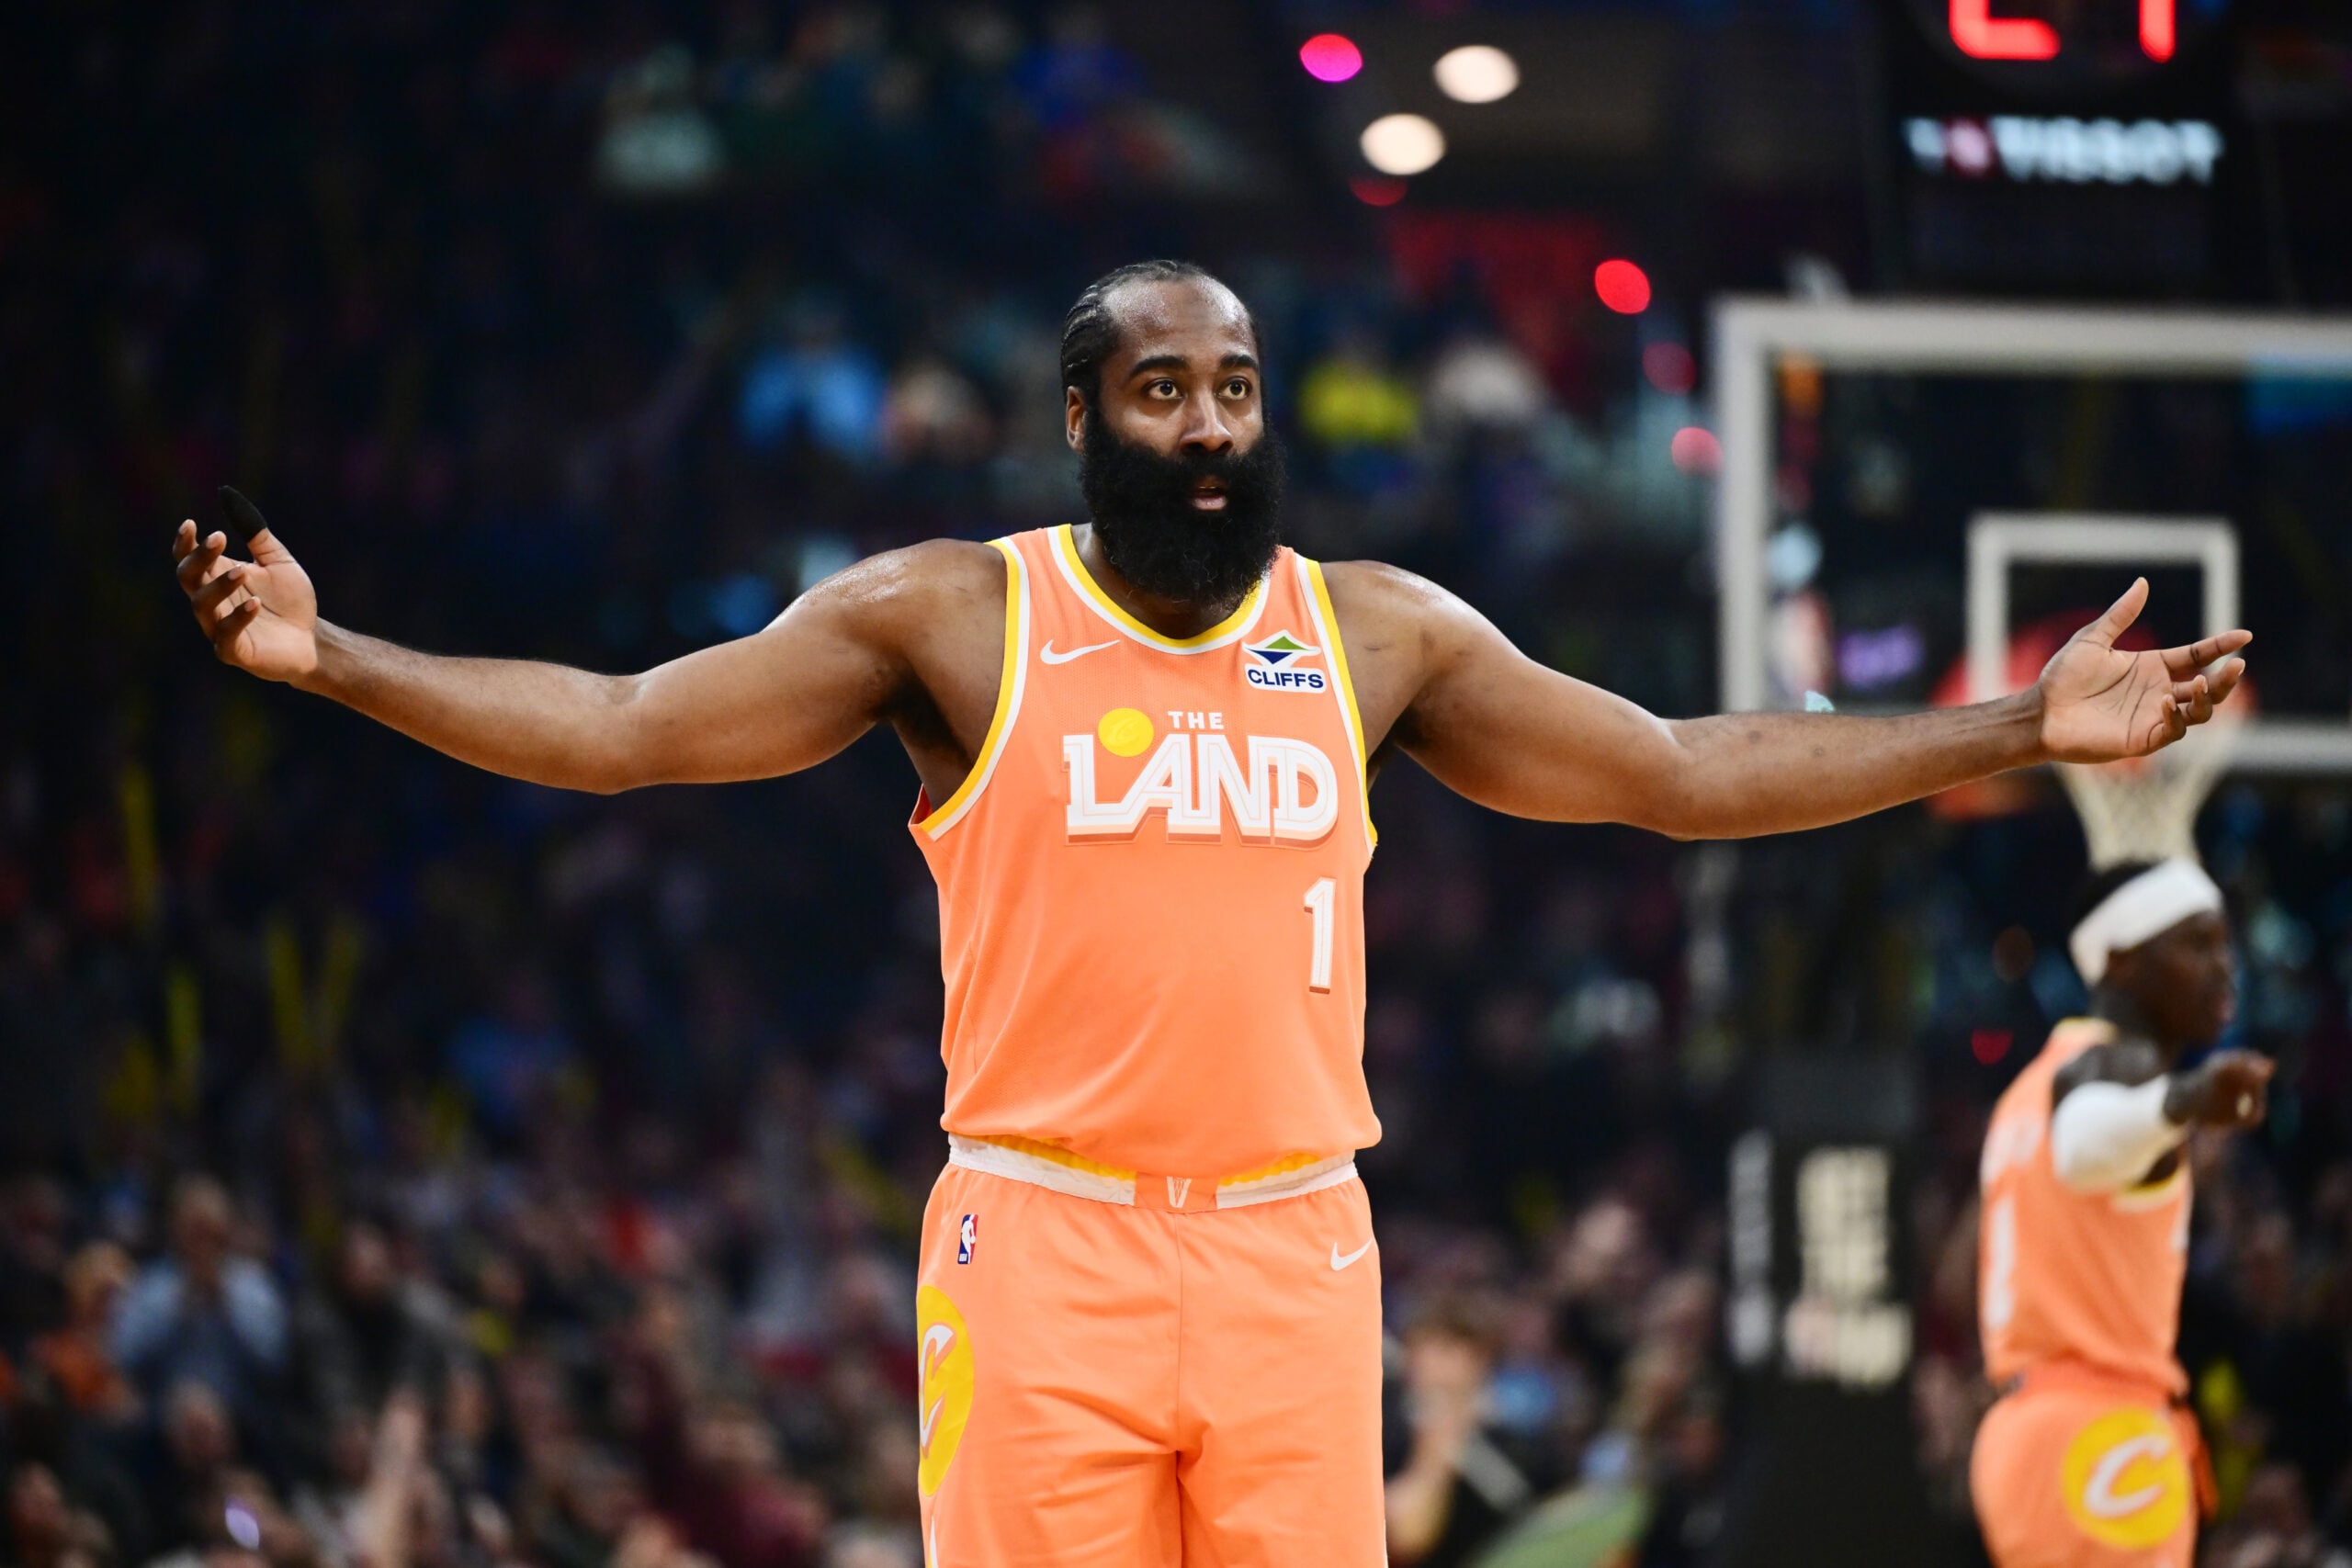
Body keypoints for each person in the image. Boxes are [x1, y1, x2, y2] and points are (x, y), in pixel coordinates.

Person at [172, 260, 2250, 1567]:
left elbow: (1683, 769)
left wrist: (2014, 725)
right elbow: (626, 725)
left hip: (1290, 1243)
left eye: (1234, 387)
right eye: (1160, 390)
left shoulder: (1374, 633)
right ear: (1080, 419)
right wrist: (337, 655)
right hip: (1042, 1231)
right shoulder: (953, 613)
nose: (1206, 425)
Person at [1971, 858, 2274, 1568]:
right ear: (2120, 962)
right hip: (2098, 1441)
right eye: (2196, 944)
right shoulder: (2124, 1071)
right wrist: (2182, 1101)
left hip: (2022, 1430)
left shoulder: (2026, 1087)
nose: (2223, 967)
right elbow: (2083, 1145)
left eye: (2225, 943)